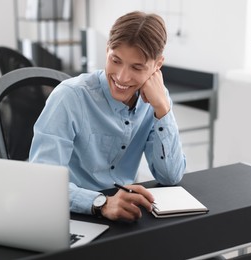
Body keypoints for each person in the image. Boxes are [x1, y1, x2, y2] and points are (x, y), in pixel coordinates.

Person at [29, 11, 186, 222]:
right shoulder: (69, 97)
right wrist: (100, 202)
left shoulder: (157, 100)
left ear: (157, 65)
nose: (122, 76)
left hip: (124, 213)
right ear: (107, 50)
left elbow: (170, 177)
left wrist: (162, 109)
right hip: (71, 214)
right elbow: (42, 183)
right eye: (116, 60)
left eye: (137, 67)